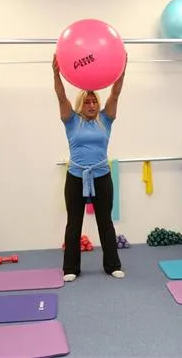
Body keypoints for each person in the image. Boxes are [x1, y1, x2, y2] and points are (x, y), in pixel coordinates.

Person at [53, 54, 126, 282]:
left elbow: (115, 93)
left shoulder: (106, 119)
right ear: (80, 104)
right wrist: (56, 73)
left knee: (105, 221)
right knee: (74, 223)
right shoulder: (71, 120)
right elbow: (61, 95)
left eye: (95, 101)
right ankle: (70, 268)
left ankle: (112, 265)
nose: (92, 105)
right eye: (87, 101)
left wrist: (122, 70)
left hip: (102, 176)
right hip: (76, 176)